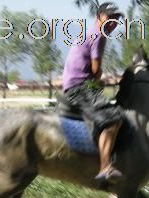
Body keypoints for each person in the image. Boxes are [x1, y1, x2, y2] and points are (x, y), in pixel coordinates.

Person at [59, 2, 125, 183]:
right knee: (114, 120)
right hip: (79, 87)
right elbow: (96, 70)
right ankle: (105, 167)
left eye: (116, 20)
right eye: (109, 18)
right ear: (99, 17)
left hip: (78, 84)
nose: (113, 23)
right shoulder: (98, 36)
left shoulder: (89, 32)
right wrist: (99, 80)